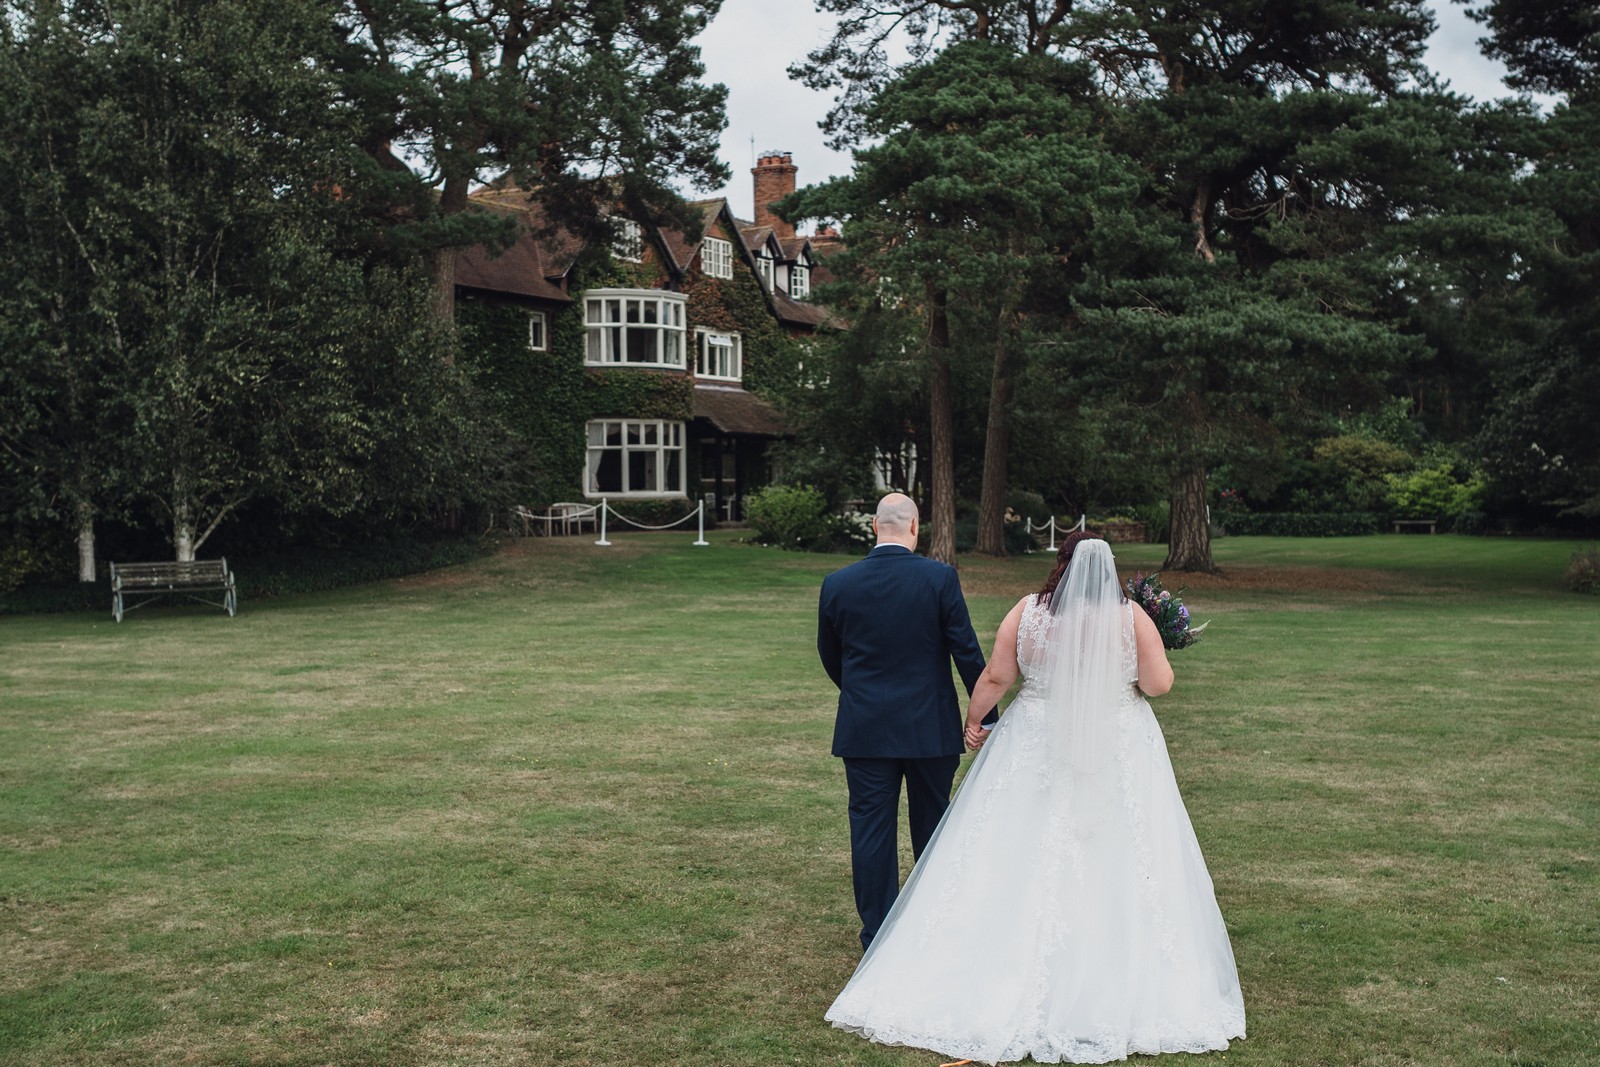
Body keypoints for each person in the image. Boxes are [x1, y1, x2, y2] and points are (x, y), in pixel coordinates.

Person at [825, 532, 1246, 1064]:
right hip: (1115, 742)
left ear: (1060, 565)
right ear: (1110, 570)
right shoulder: (1130, 617)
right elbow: (1160, 683)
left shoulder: (1028, 612)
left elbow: (998, 674)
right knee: (1120, 847)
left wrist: (975, 720)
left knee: (1014, 845)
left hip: (1036, 738)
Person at [817, 492, 988, 953]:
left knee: (870, 831)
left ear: (875, 526)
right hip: (929, 728)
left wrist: (861, 697)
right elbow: (966, 651)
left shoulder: (838, 583)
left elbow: (832, 658)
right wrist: (986, 714)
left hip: (865, 727)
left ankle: (878, 935)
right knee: (933, 827)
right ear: (915, 528)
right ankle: (931, 923)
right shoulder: (939, 578)